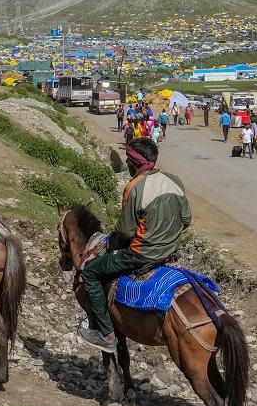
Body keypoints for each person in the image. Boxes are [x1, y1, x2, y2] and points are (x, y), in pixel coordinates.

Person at [79, 139, 190, 352]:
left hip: (140, 254)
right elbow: (186, 220)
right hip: (170, 252)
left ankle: (106, 335)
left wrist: (115, 241)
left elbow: (125, 232)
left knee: (91, 273)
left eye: (129, 161)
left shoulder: (134, 186)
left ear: (135, 163)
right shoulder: (174, 181)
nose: (127, 165)